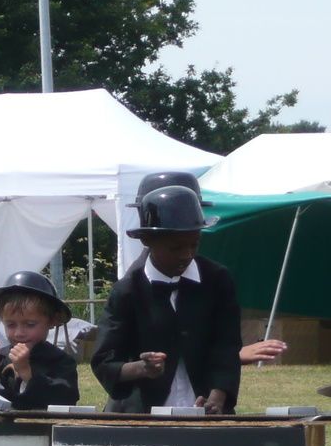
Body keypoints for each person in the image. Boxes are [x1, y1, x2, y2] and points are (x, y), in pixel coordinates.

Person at [90, 174, 242, 414]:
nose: (187, 254)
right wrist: (141, 368)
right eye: (175, 247)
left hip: (204, 410)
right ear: (146, 240)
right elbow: (104, 362)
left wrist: (219, 395)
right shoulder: (128, 289)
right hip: (141, 416)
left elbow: (226, 345)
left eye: (194, 244)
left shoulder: (218, 280)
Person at [0, 270, 79, 409]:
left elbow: (65, 401)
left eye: (30, 324)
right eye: (11, 325)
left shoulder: (61, 362)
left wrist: (27, 373)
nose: (19, 333)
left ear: (52, 321)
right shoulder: (0, 358)